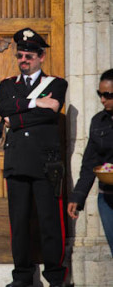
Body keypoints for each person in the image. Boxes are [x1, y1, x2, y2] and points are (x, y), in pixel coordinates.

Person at [0, 28, 68, 287]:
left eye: (29, 56)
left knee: (50, 223)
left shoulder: (56, 84)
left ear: (41, 57)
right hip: (17, 162)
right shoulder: (6, 85)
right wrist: (36, 103)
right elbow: (0, 106)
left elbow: (52, 113)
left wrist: (13, 119)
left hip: (46, 163)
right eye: (20, 56)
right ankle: (22, 277)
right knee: (20, 223)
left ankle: (56, 278)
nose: (23, 60)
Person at [68, 69, 113, 255]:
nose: (102, 100)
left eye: (108, 95)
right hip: (108, 197)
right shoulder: (98, 121)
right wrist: (78, 196)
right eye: (99, 94)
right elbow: (89, 163)